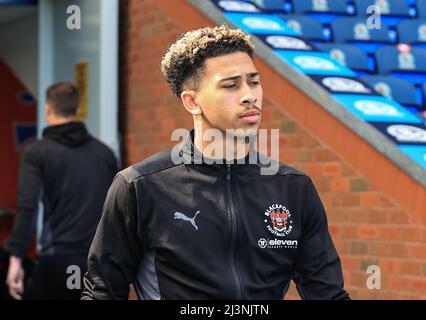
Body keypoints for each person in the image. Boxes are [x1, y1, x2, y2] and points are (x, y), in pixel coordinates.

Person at [82, 25, 349, 300]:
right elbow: (103, 292)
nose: (250, 95)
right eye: (231, 85)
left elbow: (327, 294)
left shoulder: (294, 188)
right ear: (191, 102)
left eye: (254, 82)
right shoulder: (138, 186)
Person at [4, 82, 117, 300]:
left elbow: (28, 206)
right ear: (77, 110)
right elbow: (118, 208)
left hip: (57, 260)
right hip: (99, 263)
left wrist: (16, 258)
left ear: (47, 109)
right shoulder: (104, 154)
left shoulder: (37, 153)